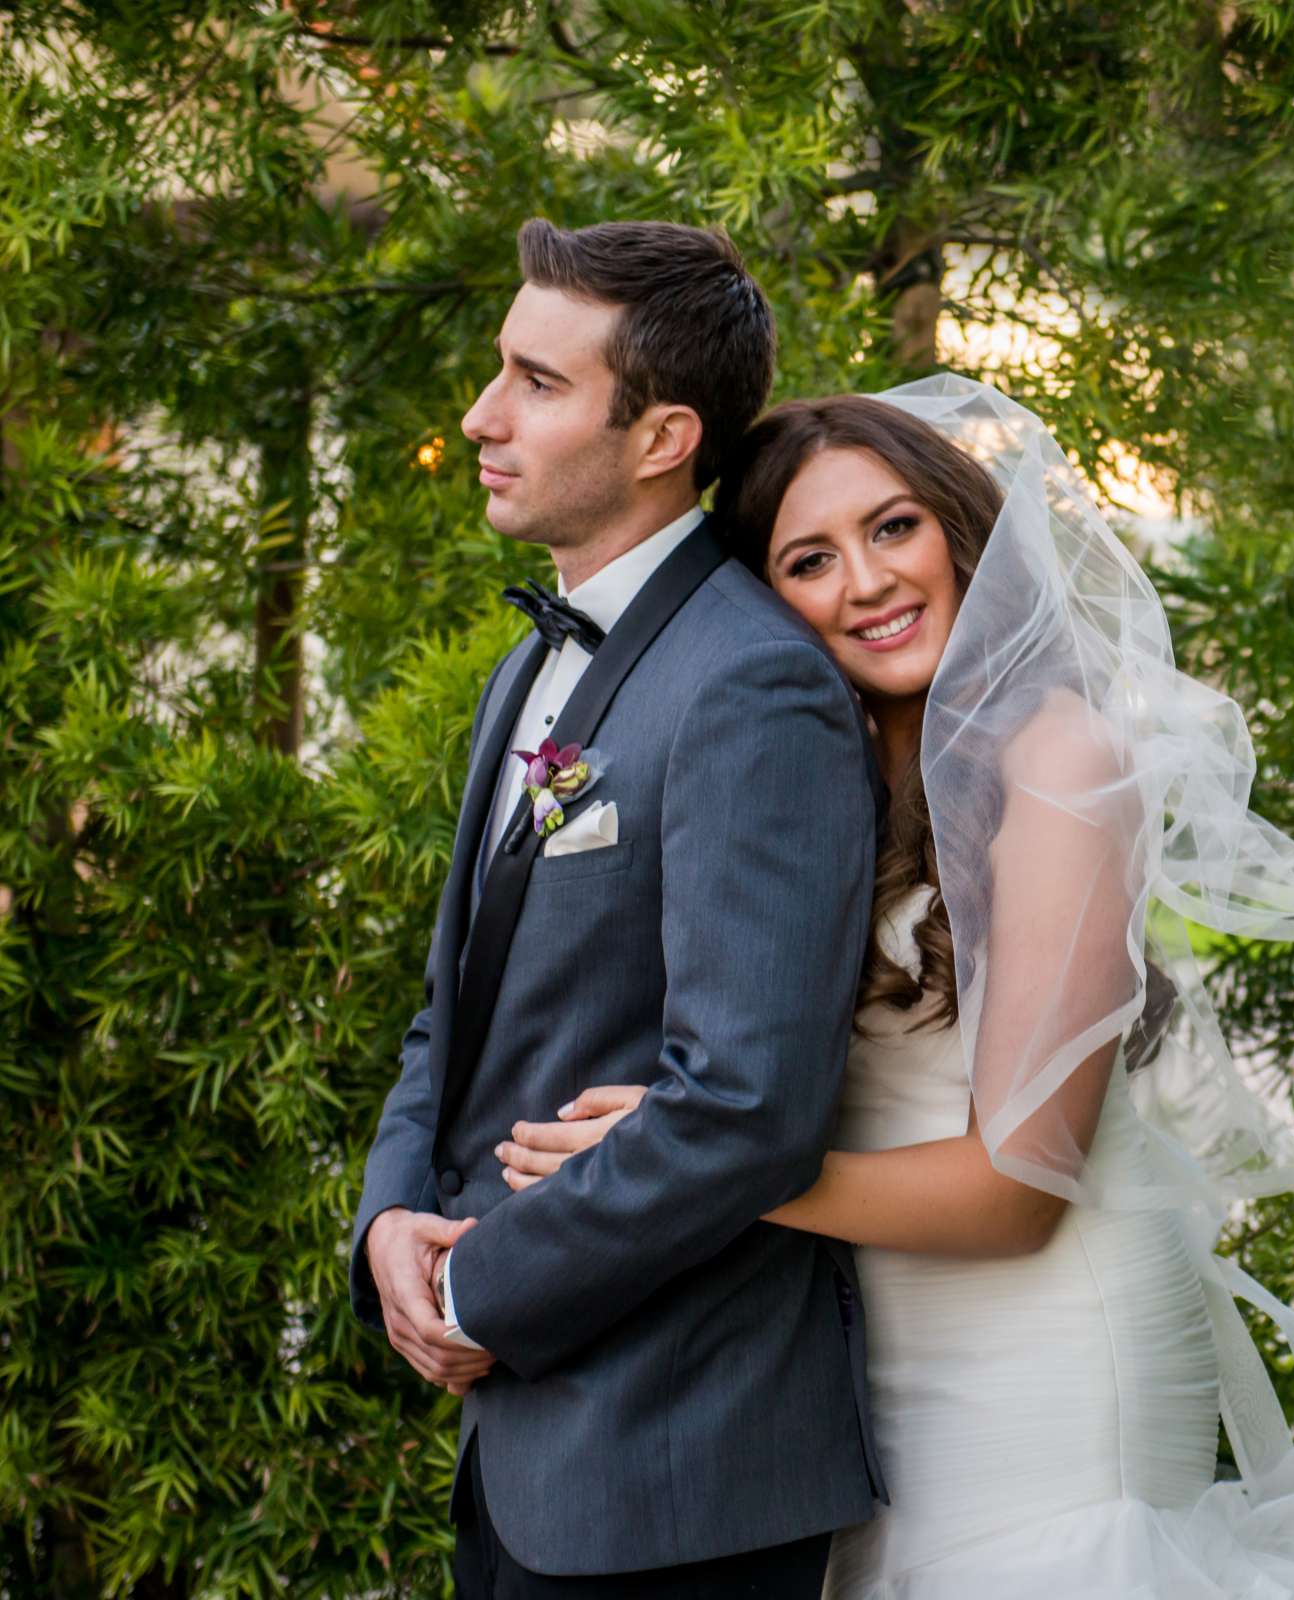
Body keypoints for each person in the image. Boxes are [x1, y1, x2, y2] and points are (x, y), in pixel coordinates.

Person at [496, 376, 1294, 1598]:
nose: (868, 581)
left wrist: (687, 1166)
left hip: (1043, 1343)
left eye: (893, 526)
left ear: (962, 530)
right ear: (765, 598)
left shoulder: (1059, 758)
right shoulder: (822, 776)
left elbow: (1016, 1192)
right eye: (810, 558)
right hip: (860, 1344)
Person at [345, 218, 884, 1598]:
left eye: (537, 381)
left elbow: (745, 1104)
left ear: (661, 438)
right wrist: (394, 1224)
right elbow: (453, 1007)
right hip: (532, 1447)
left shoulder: (751, 684)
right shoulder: (533, 665)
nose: (482, 414)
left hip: (673, 1466)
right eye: (497, 371)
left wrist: (484, 1293)